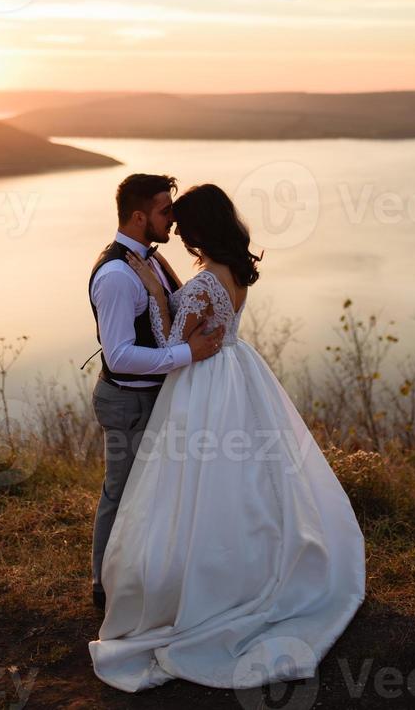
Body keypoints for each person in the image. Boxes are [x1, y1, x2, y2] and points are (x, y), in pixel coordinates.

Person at [88, 183, 366, 692]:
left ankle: (177, 585)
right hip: (238, 373)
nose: (173, 225)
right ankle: (249, 564)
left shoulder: (196, 285)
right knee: (246, 480)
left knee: (187, 483)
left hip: (202, 385)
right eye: (164, 212)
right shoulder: (235, 270)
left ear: (196, 231)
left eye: (179, 218)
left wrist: (159, 301)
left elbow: (176, 344)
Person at [88, 174, 224, 609]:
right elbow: (120, 357)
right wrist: (187, 353)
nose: (174, 217)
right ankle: (103, 587)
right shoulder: (116, 275)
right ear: (138, 215)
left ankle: (143, 576)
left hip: (155, 396)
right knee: (121, 492)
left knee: (152, 494)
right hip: (128, 399)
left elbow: (173, 311)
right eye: (167, 211)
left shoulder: (153, 261)